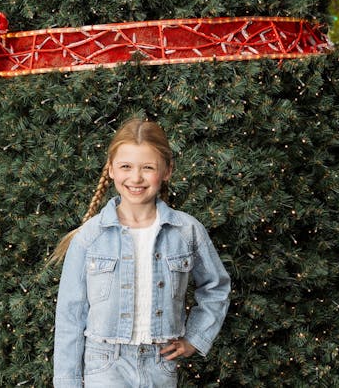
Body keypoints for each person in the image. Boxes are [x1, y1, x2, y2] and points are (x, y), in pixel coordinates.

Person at [51, 118, 231, 388]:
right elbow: (70, 315)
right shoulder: (90, 236)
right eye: (126, 166)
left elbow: (215, 286)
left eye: (148, 168)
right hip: (104, 364)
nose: (136, 178)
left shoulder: (186, 231)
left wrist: (195, 338)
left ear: (167, 171)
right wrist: (68, 383)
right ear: (110, 169)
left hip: (160, 364)